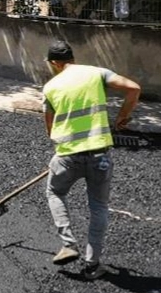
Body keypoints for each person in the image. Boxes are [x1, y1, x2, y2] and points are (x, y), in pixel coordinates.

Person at [41, 39, 141, 280]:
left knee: (55, 192)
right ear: (72, 59)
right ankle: (92, 265)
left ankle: (68, 243)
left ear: (54, 63)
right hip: (99, 156)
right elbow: (133, 88)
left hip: (68, 156)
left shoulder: (50, 87)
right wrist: (122, 117)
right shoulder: (97, 73)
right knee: (98, 206)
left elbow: (50, 129)